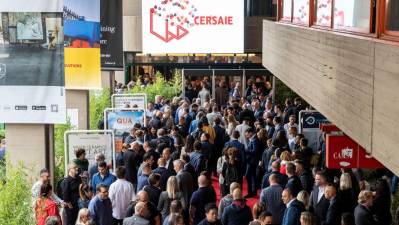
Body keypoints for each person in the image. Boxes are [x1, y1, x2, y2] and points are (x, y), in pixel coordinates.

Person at [244, 127, 262, 198]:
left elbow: (255, 151)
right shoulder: (253, 139)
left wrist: (246, 150)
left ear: (251, 133)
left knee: (250, 176)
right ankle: (252, 191)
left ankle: (251, 192)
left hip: (252, 162)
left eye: (247, 134)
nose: (246, 136)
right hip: (252, 161)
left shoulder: (254, 140)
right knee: (252, 177)